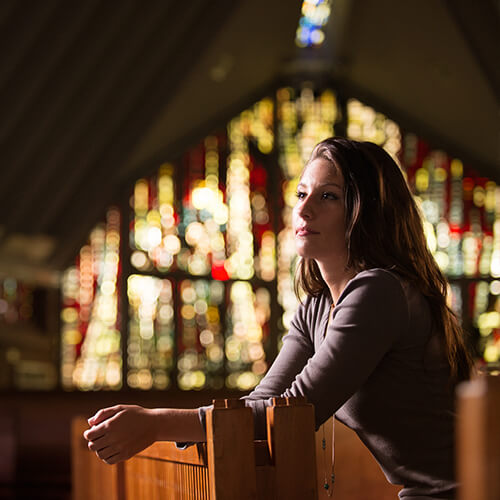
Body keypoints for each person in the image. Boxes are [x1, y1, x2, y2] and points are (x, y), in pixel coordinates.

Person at [84, 137, 473, 499]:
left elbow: (297, 409)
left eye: (328, 197)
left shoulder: (379, 293)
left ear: (365, 211)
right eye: (302, 194)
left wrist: (155, 423)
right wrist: (157, 424)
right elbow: (266, 403)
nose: (304, 209)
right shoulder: (317, 307)